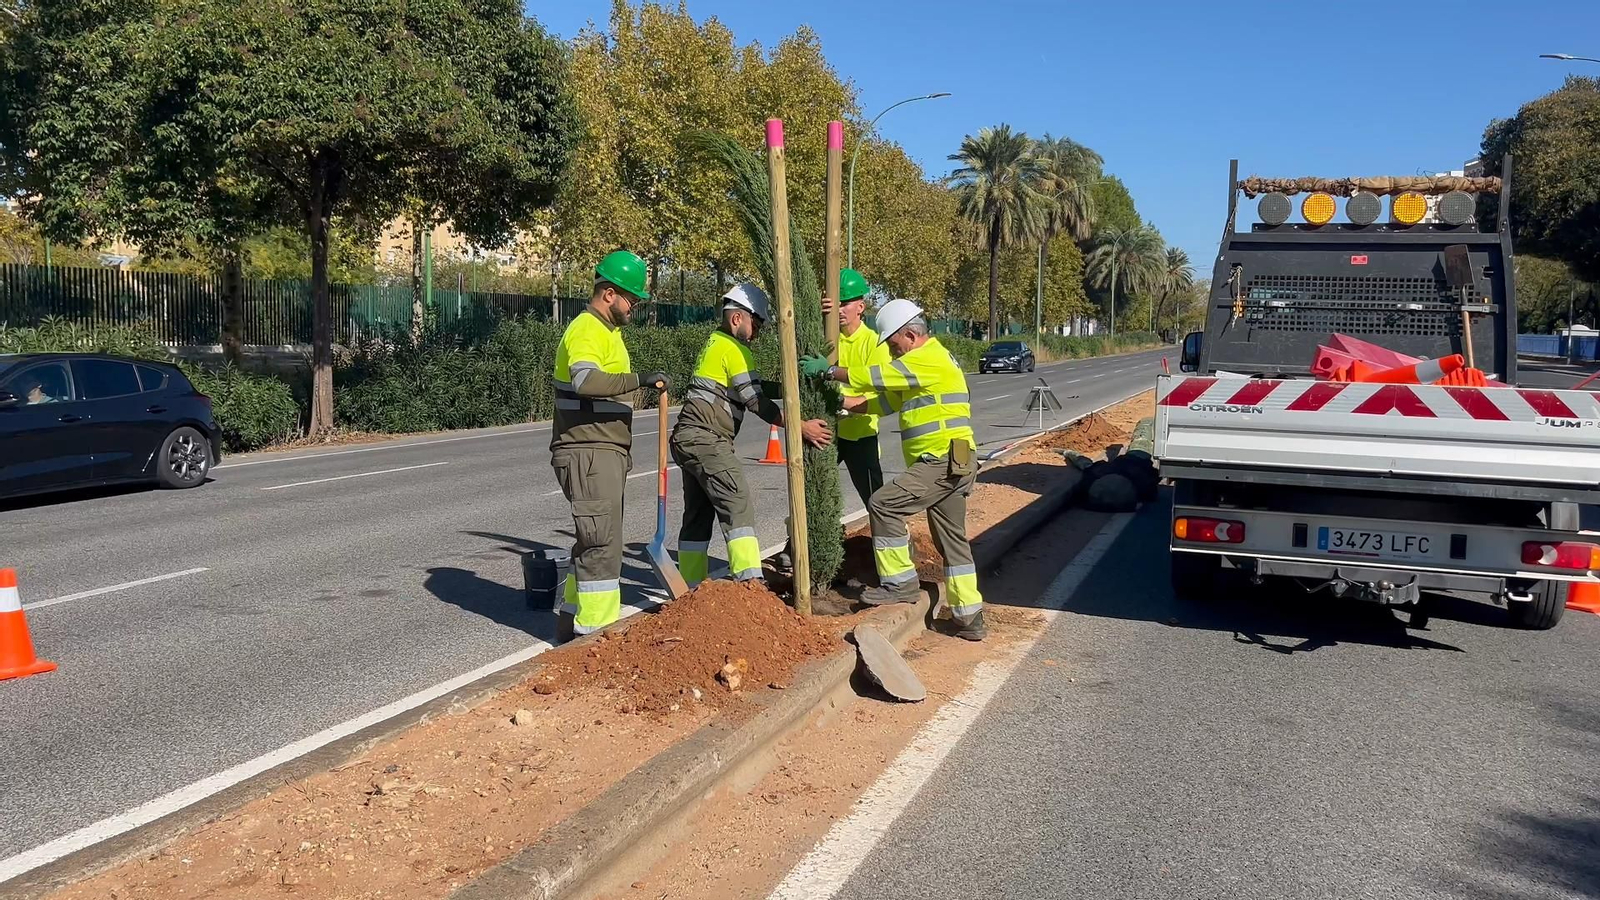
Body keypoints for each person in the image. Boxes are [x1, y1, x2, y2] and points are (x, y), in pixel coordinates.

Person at [802, 297, 986, 641]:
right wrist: (839, 401)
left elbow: (877, 377)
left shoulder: (926, 358)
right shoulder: (925, 366)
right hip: (957, 459)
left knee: (883, 504)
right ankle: (969, 617)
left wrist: (829, 370)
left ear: (911, 336)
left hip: (941, 460)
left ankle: (900, 583)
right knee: (953, 542)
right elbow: (880, 402)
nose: (890, 350)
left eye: (893, 343)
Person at [672, 283, 831, 587]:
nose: (756, 334)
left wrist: (789, 387)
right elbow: (756, 402)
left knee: (698, 515)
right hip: (707, 438)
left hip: (689, 437)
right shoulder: (734, 349)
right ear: (737, 319)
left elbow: (753, 388)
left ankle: (689, 586)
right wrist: (801, 426)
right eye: (755, 325)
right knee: (737, 502)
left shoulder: (716, 343)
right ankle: (750, 584)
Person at [550, 250, 669, 641]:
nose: (634, 306)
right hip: (588, 450)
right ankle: (595, 637)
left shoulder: (607, 333)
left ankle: (570, 627)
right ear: (608, 294)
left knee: (593, 540)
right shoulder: (587, 329)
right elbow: (586, 382)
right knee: (602, 545)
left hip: (601, 450)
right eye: (631, 298)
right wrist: (640, 379)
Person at [820, 268, 893, 506]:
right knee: (814, 494)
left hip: (861, 434)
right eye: (836, 303)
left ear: (860, 307)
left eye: (845, 303)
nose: (839, 309)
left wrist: (845, 404)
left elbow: (878, 391)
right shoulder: (828, 338)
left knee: (876, 500)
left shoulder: (874, 343)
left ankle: (889, 541)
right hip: (830, 432)